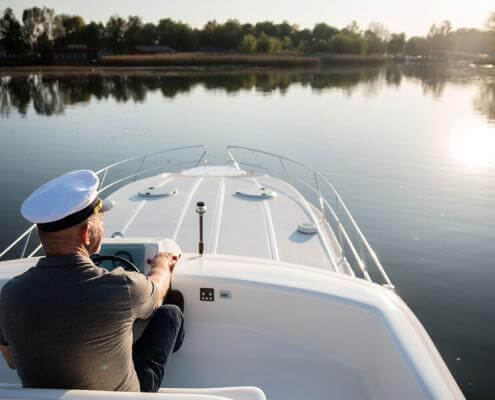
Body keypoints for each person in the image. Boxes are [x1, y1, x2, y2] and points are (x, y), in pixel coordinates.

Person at [0, 170, 184, 392]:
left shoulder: (9, 294)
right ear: (87, 233)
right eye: (101, 219)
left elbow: (11, 360)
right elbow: (158, 290)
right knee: (170, 312)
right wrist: (162, 263)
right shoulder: (123, 288)